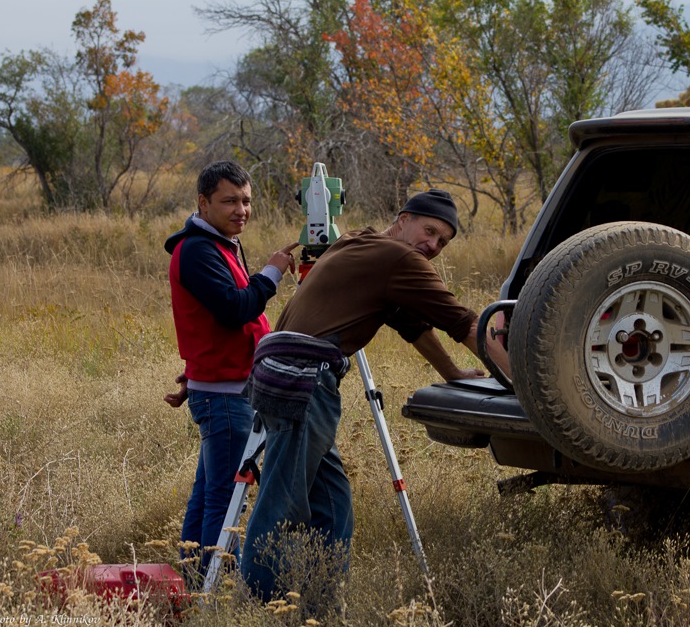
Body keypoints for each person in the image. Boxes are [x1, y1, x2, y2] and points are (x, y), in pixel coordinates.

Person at [240, 188, 510, 602]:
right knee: (282, 506)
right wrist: (522, 382)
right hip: (303, 380)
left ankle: (321, 607)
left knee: (332, 504)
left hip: (278, 372)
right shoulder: (400, 259)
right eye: (430, 230)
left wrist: (452, 372)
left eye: (443, 241)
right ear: (403, 220)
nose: (433, 245)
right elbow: (467, 324)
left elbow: (411, 324)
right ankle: (257, 608)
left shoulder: (357, 240)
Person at [163, 160, 299, 584]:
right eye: (229, 201)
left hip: (223, 384)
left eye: (246, 200)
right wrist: (272, 272)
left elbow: (210, 323)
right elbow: (233, 308)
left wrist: (194, 371)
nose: (241, 209)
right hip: (224, 395)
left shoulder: (219, 243)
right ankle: (215, 588)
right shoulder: (198, 250)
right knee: (225, 498)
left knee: (209, 494)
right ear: (203, 203)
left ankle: (193, 582)